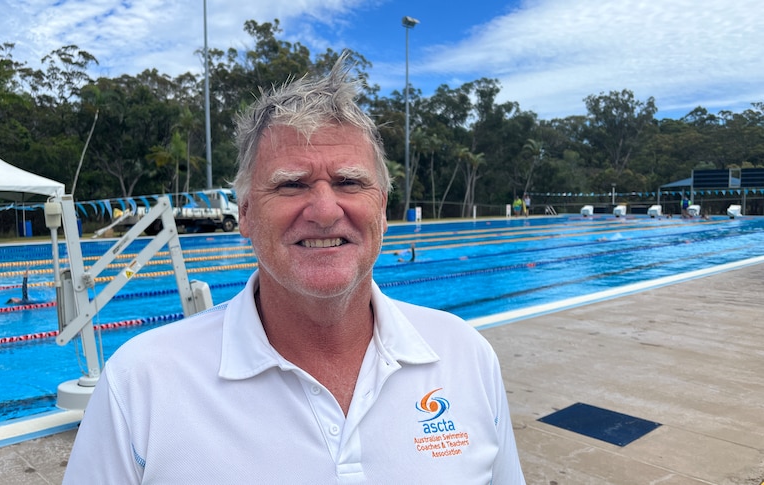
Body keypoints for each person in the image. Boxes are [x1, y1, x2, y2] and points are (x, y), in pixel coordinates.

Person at [63, 54, 524, 484]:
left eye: (349, 182)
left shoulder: (465, 356)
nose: (325, 210)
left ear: (382, 210)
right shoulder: (142, 385)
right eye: (291, 185)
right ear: (244, 213)